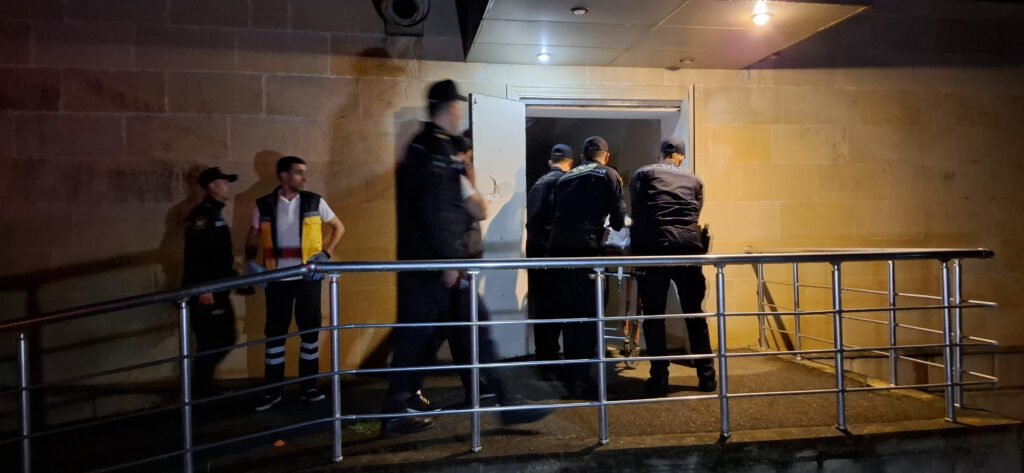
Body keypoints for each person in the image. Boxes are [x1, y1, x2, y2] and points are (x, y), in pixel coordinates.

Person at [385, 79, 549, 437]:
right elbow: (440, 209)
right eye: (457, 108)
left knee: (456, 333)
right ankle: (399, 408)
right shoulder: (438, 150)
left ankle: (505, 402)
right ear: (450, 109)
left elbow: (448, 208)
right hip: (437, 265)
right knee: (425, 337)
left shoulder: (424, 147)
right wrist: (449, 261)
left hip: (429, 263)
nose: (459, 114)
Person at [245, 156, 346, 411]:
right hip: (276, 280)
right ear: (284, 175)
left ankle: (309, 388)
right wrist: (250, 263)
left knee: (310, 334)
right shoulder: (264, 204)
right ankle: (273, 392)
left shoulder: (314, 201)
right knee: (275, 337)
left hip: (307, 279)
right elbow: (253, 235)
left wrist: (326, 254)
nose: (304, 177)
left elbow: (338, 227)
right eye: (299, 172)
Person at [630, 138, 716, 396]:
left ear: (660, 155)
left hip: (653, 250)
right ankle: (707, 378)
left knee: (654, 315)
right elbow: (695, 213)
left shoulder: (644, 173)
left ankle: (659, 379)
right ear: (681, 157)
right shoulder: (695, 180)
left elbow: (638, 213)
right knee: (694, 313)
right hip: (689, 249)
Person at [548, 136, 628, 398]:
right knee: (591, 312)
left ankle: (571, 372)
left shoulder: (565, 177)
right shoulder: (608, 174)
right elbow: (618, 220)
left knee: (570, 314)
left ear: (582, 156)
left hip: (559, 250)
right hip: (586, 249)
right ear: (606, 156)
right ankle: (581, 380)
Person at [182, 167, 240, 398]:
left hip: (217, 289)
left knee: (219, 340)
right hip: (208, 292)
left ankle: (202, 392)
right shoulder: (203, 216)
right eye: (223, 183)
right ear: (211, 187)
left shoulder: (213, 213)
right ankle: (200, 395)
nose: (227, 187)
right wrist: (203, 288)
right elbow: (196, 255)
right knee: (216, 341)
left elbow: (218, 257)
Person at [525, 144, 574, 376]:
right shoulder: (571, 183)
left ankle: (546, 363)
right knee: (564, 309)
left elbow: (533, 222)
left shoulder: (538, 183)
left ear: (549, 162)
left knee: (544, 311)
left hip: (539, 256)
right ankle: (563, 363)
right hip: (561, 256)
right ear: (570, 163)